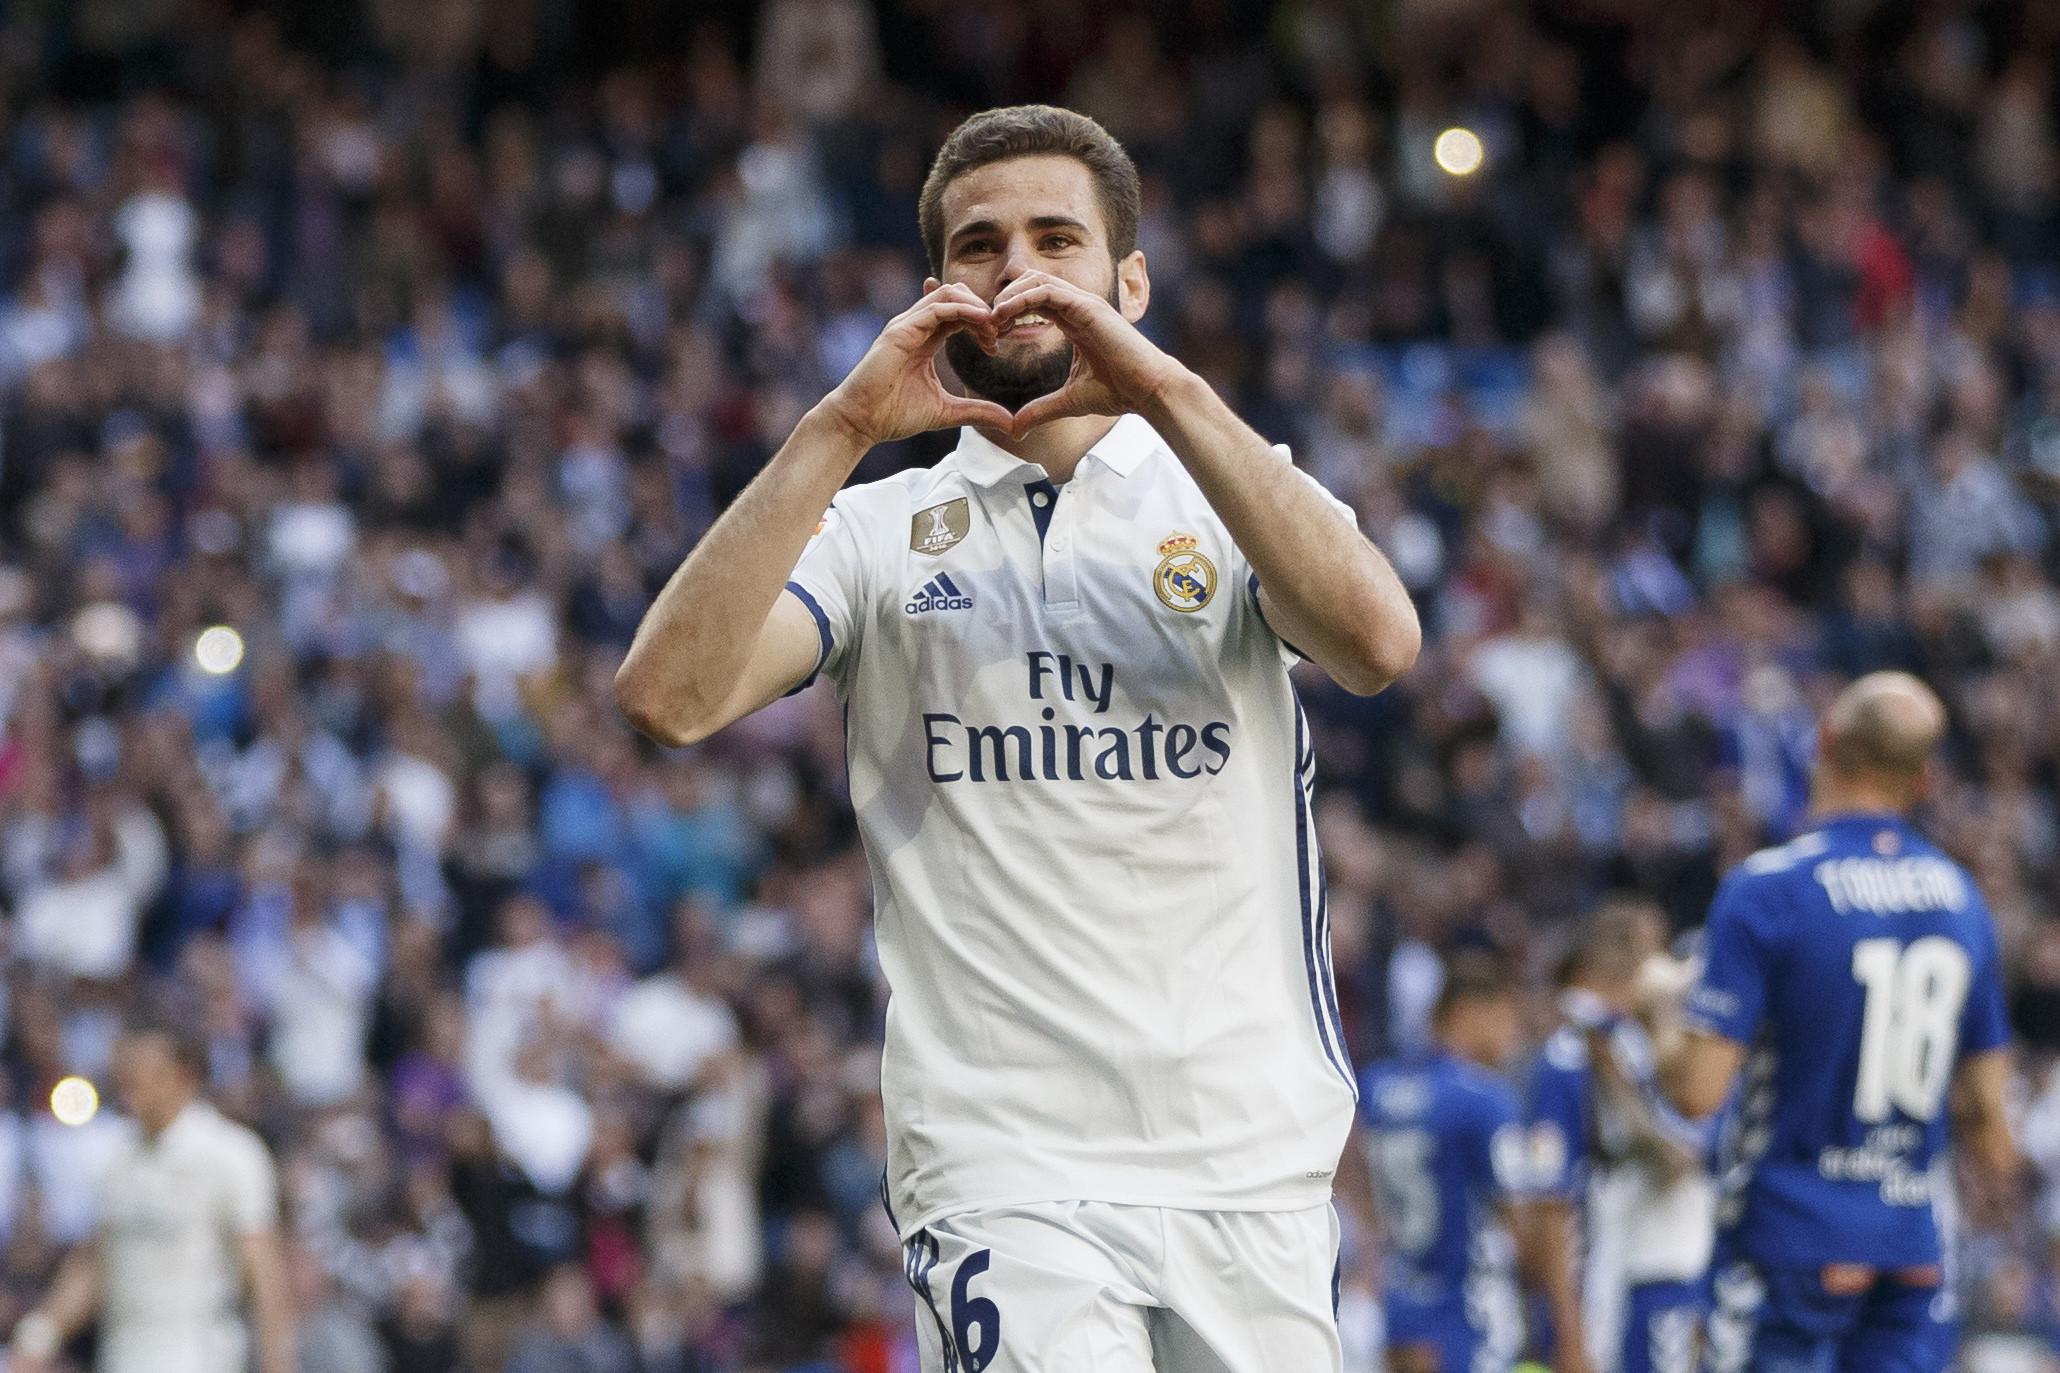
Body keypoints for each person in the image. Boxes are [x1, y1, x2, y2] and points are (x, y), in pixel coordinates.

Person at [616, 103, 1421, 1370]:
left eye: (1058, 238)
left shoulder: (1231, 494)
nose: (1020, 271)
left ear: (1129, 280)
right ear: (939, 287)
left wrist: (1157, 386)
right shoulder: (880, 532)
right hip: (1003, 1160)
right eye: (981, 246)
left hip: (1247, 1154)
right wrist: (835, 428)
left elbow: (1378, 645)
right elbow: (666, 697)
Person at [1659, 671, 2019, 1373]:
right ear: (1924, 777)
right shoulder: (1960, 895)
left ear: (1825, 741)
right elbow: (1985, 1114)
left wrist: (1662, 1004)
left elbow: (1697, 1091)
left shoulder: (1770, 887)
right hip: (1909, 1242)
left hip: (1788, 1238)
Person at [9, 1015, 295, 1373]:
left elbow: (265, 1276)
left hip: (199, 1355)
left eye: (144, 1071)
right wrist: (38, 1337)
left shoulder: (231, 1154)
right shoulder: (119, 1159)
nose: (131, 1082)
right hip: (122, 1354)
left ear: (184, 1075)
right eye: (126, 1071)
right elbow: (98, 1262)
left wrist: (278, 1365)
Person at [1524, 899, 1714, 1373]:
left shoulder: (1627, 1041)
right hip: (1608, 1279)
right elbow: (1552, 1204)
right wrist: (1571, 1333)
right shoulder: (1569, 1055)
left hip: (1648, 1266)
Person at [1347, 956, 1532, 1373]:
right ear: (1466, 1012)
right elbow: (1519, 1215)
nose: (1512, 1036)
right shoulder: (1484, 1097)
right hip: (1469, 1309)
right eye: (1505, 1018)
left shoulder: (1378, 1086)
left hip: (1399, 1300)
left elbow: (1354, 1176)